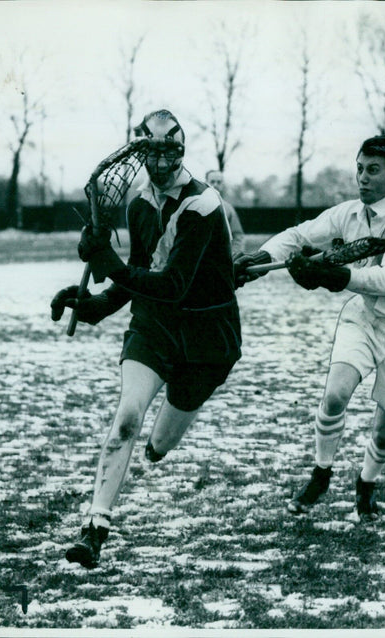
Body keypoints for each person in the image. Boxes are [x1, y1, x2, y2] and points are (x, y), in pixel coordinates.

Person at [50, 109, 242, 568]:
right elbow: (139, 276)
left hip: (206, 340)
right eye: (151, 152)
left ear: (181, 151)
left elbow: (173, 284)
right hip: (153, 328)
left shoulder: (203, 205)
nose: (159, 162)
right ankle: (94, 527)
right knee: (126, 420)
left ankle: (158, 446)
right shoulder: (139, 204)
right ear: (141, 152)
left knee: (158, 445)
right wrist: (94, 304)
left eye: (169, 152)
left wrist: (108, 262)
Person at [234, 135, 385, 521]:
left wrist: (336, 276)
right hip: (364, 316)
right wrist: (258, 260)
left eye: (373, 171)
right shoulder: (350, 213)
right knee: (334, 397)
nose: (362, 178)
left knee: (383, 429)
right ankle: (321, 474)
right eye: (359, 168)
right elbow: (298, 235)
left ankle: (366, 484)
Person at [206, 169, 246, 256]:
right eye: (212, 182)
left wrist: (234, 254)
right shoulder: (196, 206)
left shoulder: (228, 208)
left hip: (221, 258)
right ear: (206, 183)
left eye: (219, 182)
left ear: (222, 185)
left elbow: (238, 235)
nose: (215, 185)